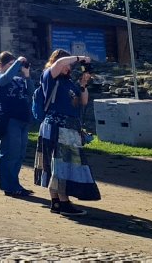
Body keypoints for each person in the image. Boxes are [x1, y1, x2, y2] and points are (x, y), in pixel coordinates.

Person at [33, 50, 100, 215]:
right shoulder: (49, 76)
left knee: (61, 165)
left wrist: (83, 85)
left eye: (70, 65)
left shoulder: (68, 82)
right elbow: (59, 64)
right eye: (67, 64)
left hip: (67, 128)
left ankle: (56, 203)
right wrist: (81, 58)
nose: (69, 67)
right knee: (60, 165)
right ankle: (63, 202)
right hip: (55, 127)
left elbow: (83, 101)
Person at [0, 51, 34, 197]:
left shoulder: (19, 79)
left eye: (14, 64)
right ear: (1, 65)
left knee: (20, 154)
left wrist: (27, 75)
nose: (13, 67)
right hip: (9, 119)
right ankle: (8, 186)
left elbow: (31, 93)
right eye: (10, 64)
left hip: (23, 119)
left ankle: (15, 184)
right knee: (10, 153)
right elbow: (5, 79)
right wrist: (18, 63)